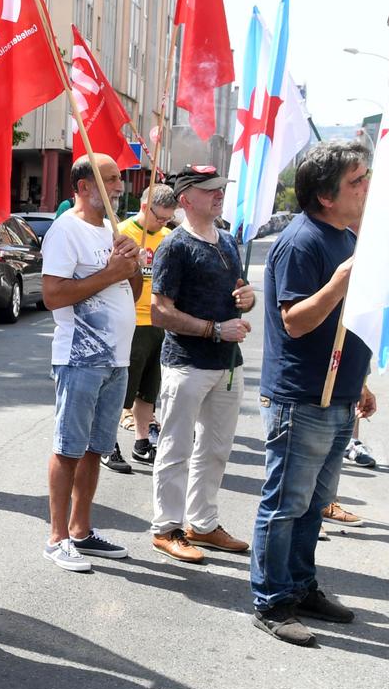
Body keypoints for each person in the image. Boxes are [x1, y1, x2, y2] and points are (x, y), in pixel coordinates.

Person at [250, 141, 378, 646]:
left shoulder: (344, 237)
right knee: (285, 503)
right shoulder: (301, 242)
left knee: (314, 503)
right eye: (357, 180)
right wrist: (339, 283)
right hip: (300, 397)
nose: (367, 188)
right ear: (326, 196)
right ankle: (272, 600)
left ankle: (301, 586)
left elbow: (343, 326)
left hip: (337, 396)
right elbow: (295, 321)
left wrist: (359, 382)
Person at [146, 166, 254, 563]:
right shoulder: (174, 246)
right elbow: (160, 313)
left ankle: (203, 524)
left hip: (227, 364)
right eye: (209, 190)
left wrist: (248, 299)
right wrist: (214, 330)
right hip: (187, 363)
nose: (218, 195)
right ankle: (166, 527)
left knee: (216, 449)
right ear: (186, 199)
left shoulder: (227, 241)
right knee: (176, 447)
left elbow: (241, 293)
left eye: (220, 189)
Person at [39, 153, 140, 571]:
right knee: (69, 448)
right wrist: (113, 272)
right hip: (80, 358)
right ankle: (57, 537)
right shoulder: (66, 232)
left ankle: (82, 530)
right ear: (84, 187)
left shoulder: (111, 230)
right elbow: (53, 295)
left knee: (97, 448)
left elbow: (130, 294)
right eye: (111, 180)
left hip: (117, 359)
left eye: (119, 179)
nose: (120, 186)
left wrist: (132, 264)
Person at [116, 183, 178, 468]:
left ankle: (142, 442)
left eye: (168, 218)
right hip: (131, 322)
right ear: (144, 207)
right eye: (160, 217)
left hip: (158, 322)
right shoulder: (123, 232)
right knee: (122, 390)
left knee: (149, 390)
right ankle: (107, 444)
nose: (164, 223)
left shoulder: (169, 238)